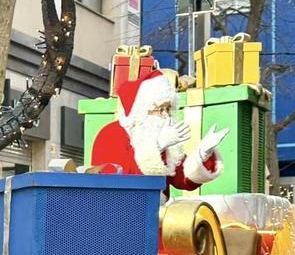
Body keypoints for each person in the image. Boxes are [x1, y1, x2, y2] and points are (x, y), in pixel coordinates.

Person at [90, 70, 229, 193]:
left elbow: (182, 179)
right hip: (118, 214)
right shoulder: (112, 133)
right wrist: (157, 146)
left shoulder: (159, 137)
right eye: (160, 109)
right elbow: (117, 179)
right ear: (141, 111)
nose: (166, 116)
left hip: (154, 212)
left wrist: (202, 155)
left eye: (168, 109)